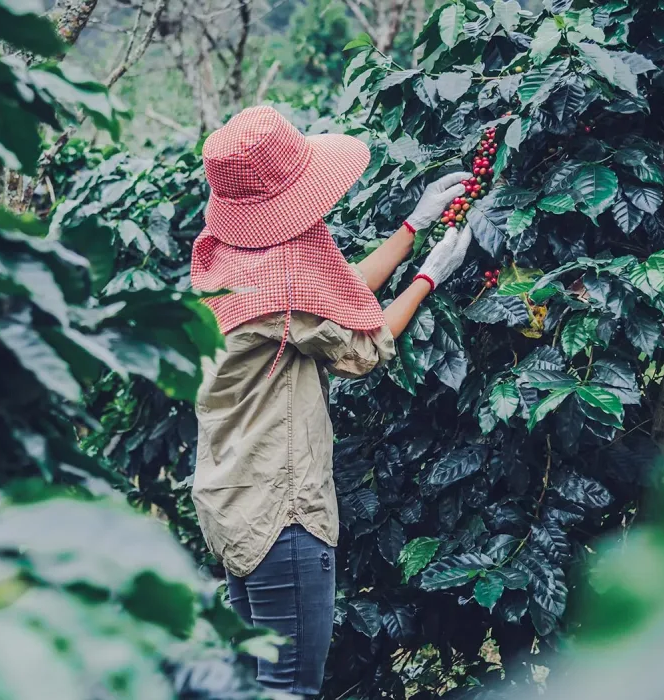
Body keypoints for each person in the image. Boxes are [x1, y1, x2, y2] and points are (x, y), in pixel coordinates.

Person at [190, 106, 473, 696]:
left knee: (256, 686)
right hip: (280, 513)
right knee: (289, 689)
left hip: (234, 503)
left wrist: (410, 228)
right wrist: (430, 276)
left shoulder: (235, 262)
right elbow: (362, 347)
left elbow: (337, 296)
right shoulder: (285, 291)